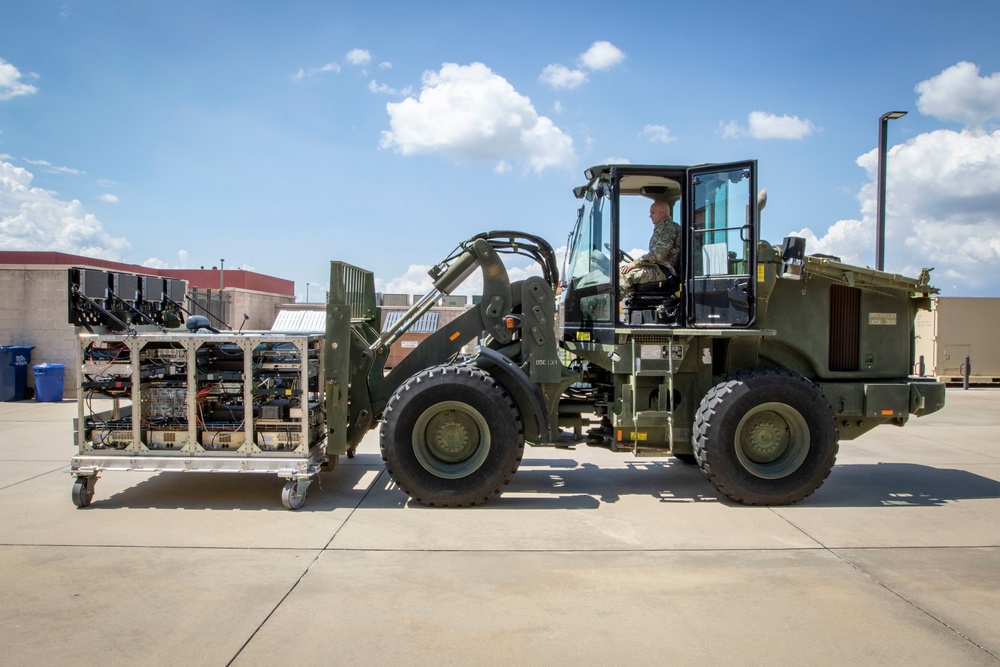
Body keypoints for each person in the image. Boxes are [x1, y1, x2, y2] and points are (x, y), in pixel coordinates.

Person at [619, 199, 681, 296]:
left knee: (624, 275)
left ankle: (608, 307)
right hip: (657, 268)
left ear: (662, 212)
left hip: (665, 271)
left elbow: (658, 255)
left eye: (652, 212)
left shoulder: (669, 228)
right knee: (620, 271)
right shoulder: (661, 228)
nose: (650, 216)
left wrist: (635, 263)